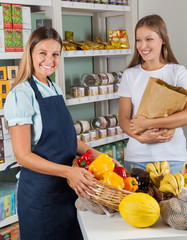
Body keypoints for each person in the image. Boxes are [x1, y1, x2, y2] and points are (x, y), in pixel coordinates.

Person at [4, 26, 120, 240]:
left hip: (68, 189)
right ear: (30, 53)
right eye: (43, 53)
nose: (50, 60)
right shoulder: (21, 94)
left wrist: (102, 157)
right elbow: (23, 156)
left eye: (55, 54)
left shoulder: (53, 87)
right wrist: (69, 172)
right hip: (41, 195)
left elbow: (68, 140)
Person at [118, 14, 187, 174]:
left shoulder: (178, 72)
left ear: (163, 39)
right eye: (138, 40)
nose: (143, 45)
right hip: (136, 158)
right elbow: (123, 119)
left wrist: (147, 124)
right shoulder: (130, 74)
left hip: (173, 158)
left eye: (149, 39)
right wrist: (141, 137)